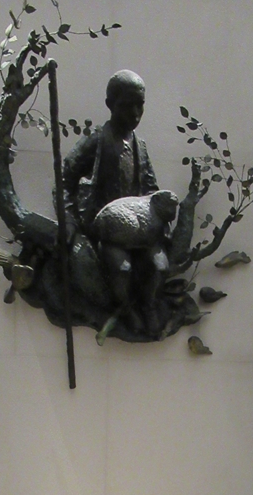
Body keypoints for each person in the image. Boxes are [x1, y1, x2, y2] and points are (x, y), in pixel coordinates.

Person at [63, 70, 172, 339]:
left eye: (140, 105)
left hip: (141, 229)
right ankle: (126, 309)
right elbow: (65, 179)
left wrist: (163, 219)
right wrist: (69, 218)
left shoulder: (140, 146)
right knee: (121, 269)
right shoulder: (97, 141)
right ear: (110, 104)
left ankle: (148, 306)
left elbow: (151, 189)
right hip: (110, 231)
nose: (135, 113)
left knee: (159, 266)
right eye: (127, 105)